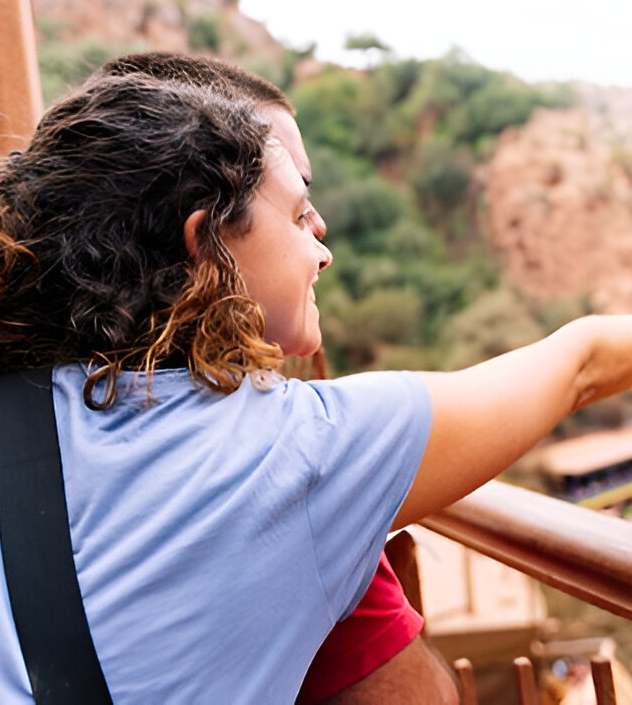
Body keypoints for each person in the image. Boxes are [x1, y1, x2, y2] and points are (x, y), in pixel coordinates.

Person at [0, 56, 632, 703]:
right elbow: (576, 367)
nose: (322, 248)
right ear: (205, 243)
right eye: (294, 217)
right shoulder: (292, 451)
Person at [92, 52, 437, 704]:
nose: (319, 231)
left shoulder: (39, 407)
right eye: (289, 196)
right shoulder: (271, 458)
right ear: (207, 232)